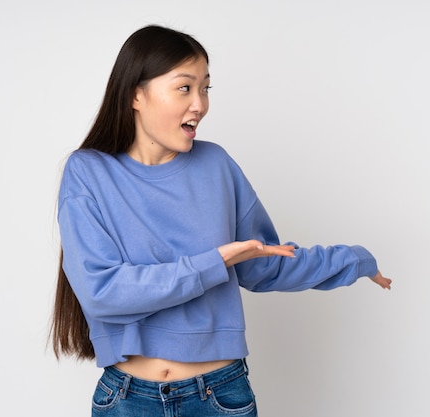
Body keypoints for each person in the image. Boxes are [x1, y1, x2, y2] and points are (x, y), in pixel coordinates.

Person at [51, 24, 392, 417]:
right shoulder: (88, 172)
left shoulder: (216, 166)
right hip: (127, 400)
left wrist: (355, 261)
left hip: (219, 396)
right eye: (185, 87)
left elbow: (263, 263)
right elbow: (102, 292)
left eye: (206, 88)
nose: (200, 104)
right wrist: (214, 263)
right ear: (135, 94)